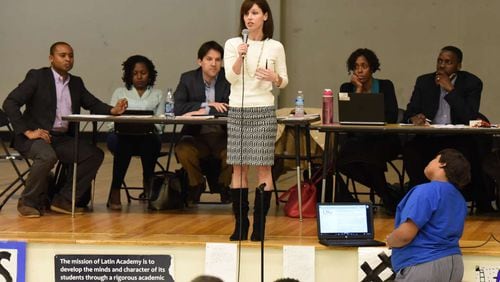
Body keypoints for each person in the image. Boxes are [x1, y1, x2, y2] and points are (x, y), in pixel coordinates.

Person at [2, 41, 127, 217]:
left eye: (71, 55)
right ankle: (27, 201)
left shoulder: (76, 82)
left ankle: (64, 199)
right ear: (51, 58)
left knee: (94, 155)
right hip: (35, 137)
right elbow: (10, 103)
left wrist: (112, 110)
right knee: (47, 156)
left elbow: (92, 103)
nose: (68, 59)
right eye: (63, 55)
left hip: (60, 138)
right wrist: (27, 131)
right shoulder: (38, 77)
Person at [224, 0, 288, 241]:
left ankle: (259, 226)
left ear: (265, 16)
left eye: (254, 13)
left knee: (264, 167)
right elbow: (230, 77)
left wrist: (275, 77)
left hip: (262, 110)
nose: (249, 18)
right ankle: (241, 224)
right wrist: (241, 56)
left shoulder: (275, 47)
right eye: (246, 14)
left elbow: (285, 81)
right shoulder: (233, 44)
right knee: (238, 167)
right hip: (238, 109)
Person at [403, 45, 495, 213]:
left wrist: (450, 89)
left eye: (448, 62)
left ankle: (460, 203)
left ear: (458, 66)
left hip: (458, 138)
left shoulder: (472, 83)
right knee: (411, 152)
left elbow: (470, 115)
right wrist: (414, 118)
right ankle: (422, 201)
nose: (442, 66)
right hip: (429, 136)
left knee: (469, 153)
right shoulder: (424, 81)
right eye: (439, 61)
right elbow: (410, 111)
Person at [387, 149, 470, 282]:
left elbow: (405, 235)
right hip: (454, 264)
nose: (429, 162)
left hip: (423, 263)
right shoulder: (459, 198)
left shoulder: (425, 191)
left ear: (442, 163)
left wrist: (391, 240)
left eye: (434, 159)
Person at [336, 48, 401, 212]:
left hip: (383, 139)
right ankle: (387, 193)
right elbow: (349, 118)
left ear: (372, 67)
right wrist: (357, 90)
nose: (359, 70)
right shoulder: (346, 87)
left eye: (364, 66)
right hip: (357, 140)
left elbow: (392, 115)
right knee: (339, 161)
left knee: (370, 158)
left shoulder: (385, 85)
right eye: (356, 66)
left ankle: (387, 197)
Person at [174, 41, 232, 205]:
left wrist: (205, 110)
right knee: (183, 149)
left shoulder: (228, 79)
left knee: (236, 150)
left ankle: (224, 186)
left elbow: (233, 108)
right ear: (200, 61)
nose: (214, 64)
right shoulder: (188, 79)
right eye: (209, 59)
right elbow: (177, 108)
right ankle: (196, 184)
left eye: (218, 60)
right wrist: (207, 105)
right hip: (197, 136)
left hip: (223, 136)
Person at [106, 55, 163, 210]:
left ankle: (148, 185)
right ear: (129, 75)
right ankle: (115, 190)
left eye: (143, 73)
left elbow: (161, 122)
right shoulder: (120, 92)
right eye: (135, 73)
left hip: (147, 137)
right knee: (124, 142)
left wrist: (149, 126)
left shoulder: (157, 94)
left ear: (150, 74)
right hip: (121, 136)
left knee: (149, 141)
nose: (139, 77)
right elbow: (111, 120)